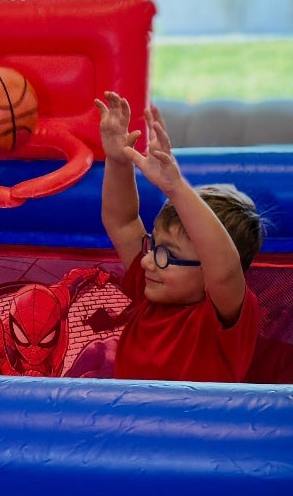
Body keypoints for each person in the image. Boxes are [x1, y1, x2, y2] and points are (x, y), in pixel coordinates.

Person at [95, 92, 262, 383]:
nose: (147, 261)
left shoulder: (219, 319)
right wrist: (117, 159)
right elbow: (122, 222)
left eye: (166, 254)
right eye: (153, 246)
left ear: (206, 270)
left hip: (192, 429)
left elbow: (224, 270)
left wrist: (176, 188)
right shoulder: (150, 294)